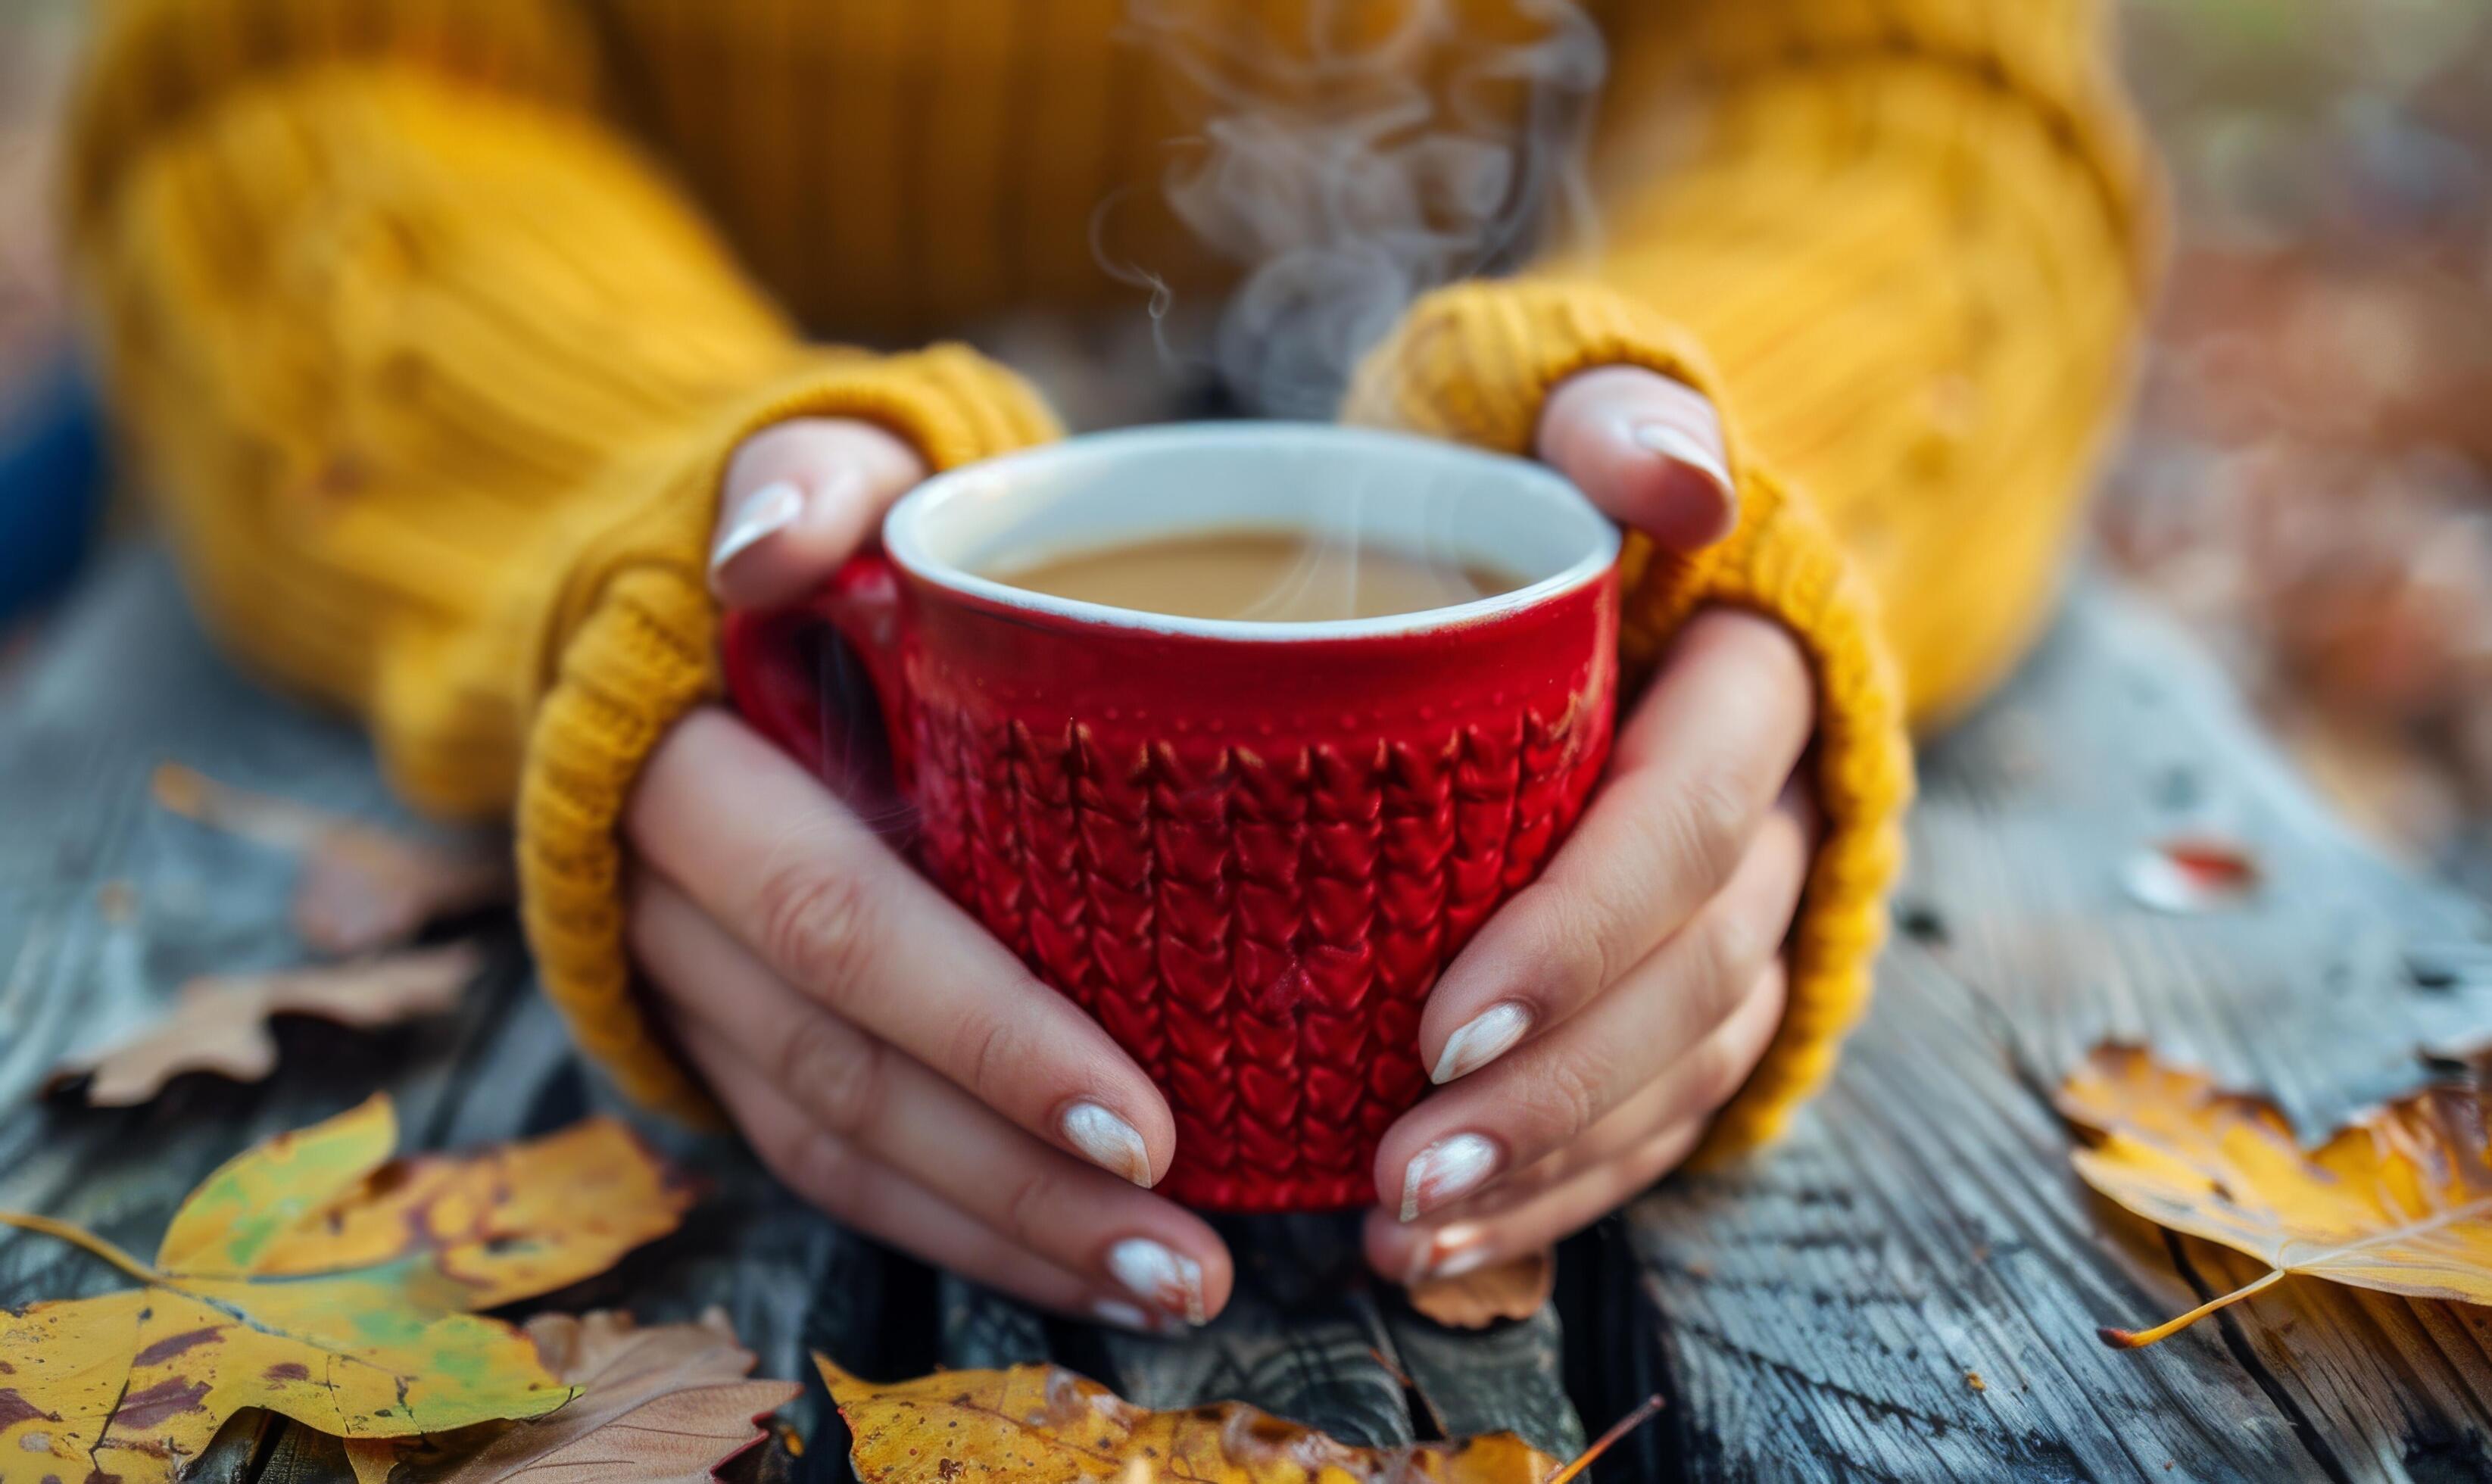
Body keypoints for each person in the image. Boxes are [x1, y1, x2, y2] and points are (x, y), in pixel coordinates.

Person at [63, 0, 2154, 1329]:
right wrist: (630, 495)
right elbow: (292, 82)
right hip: (591, 381)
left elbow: (1917, 95)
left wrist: (1730, 477)